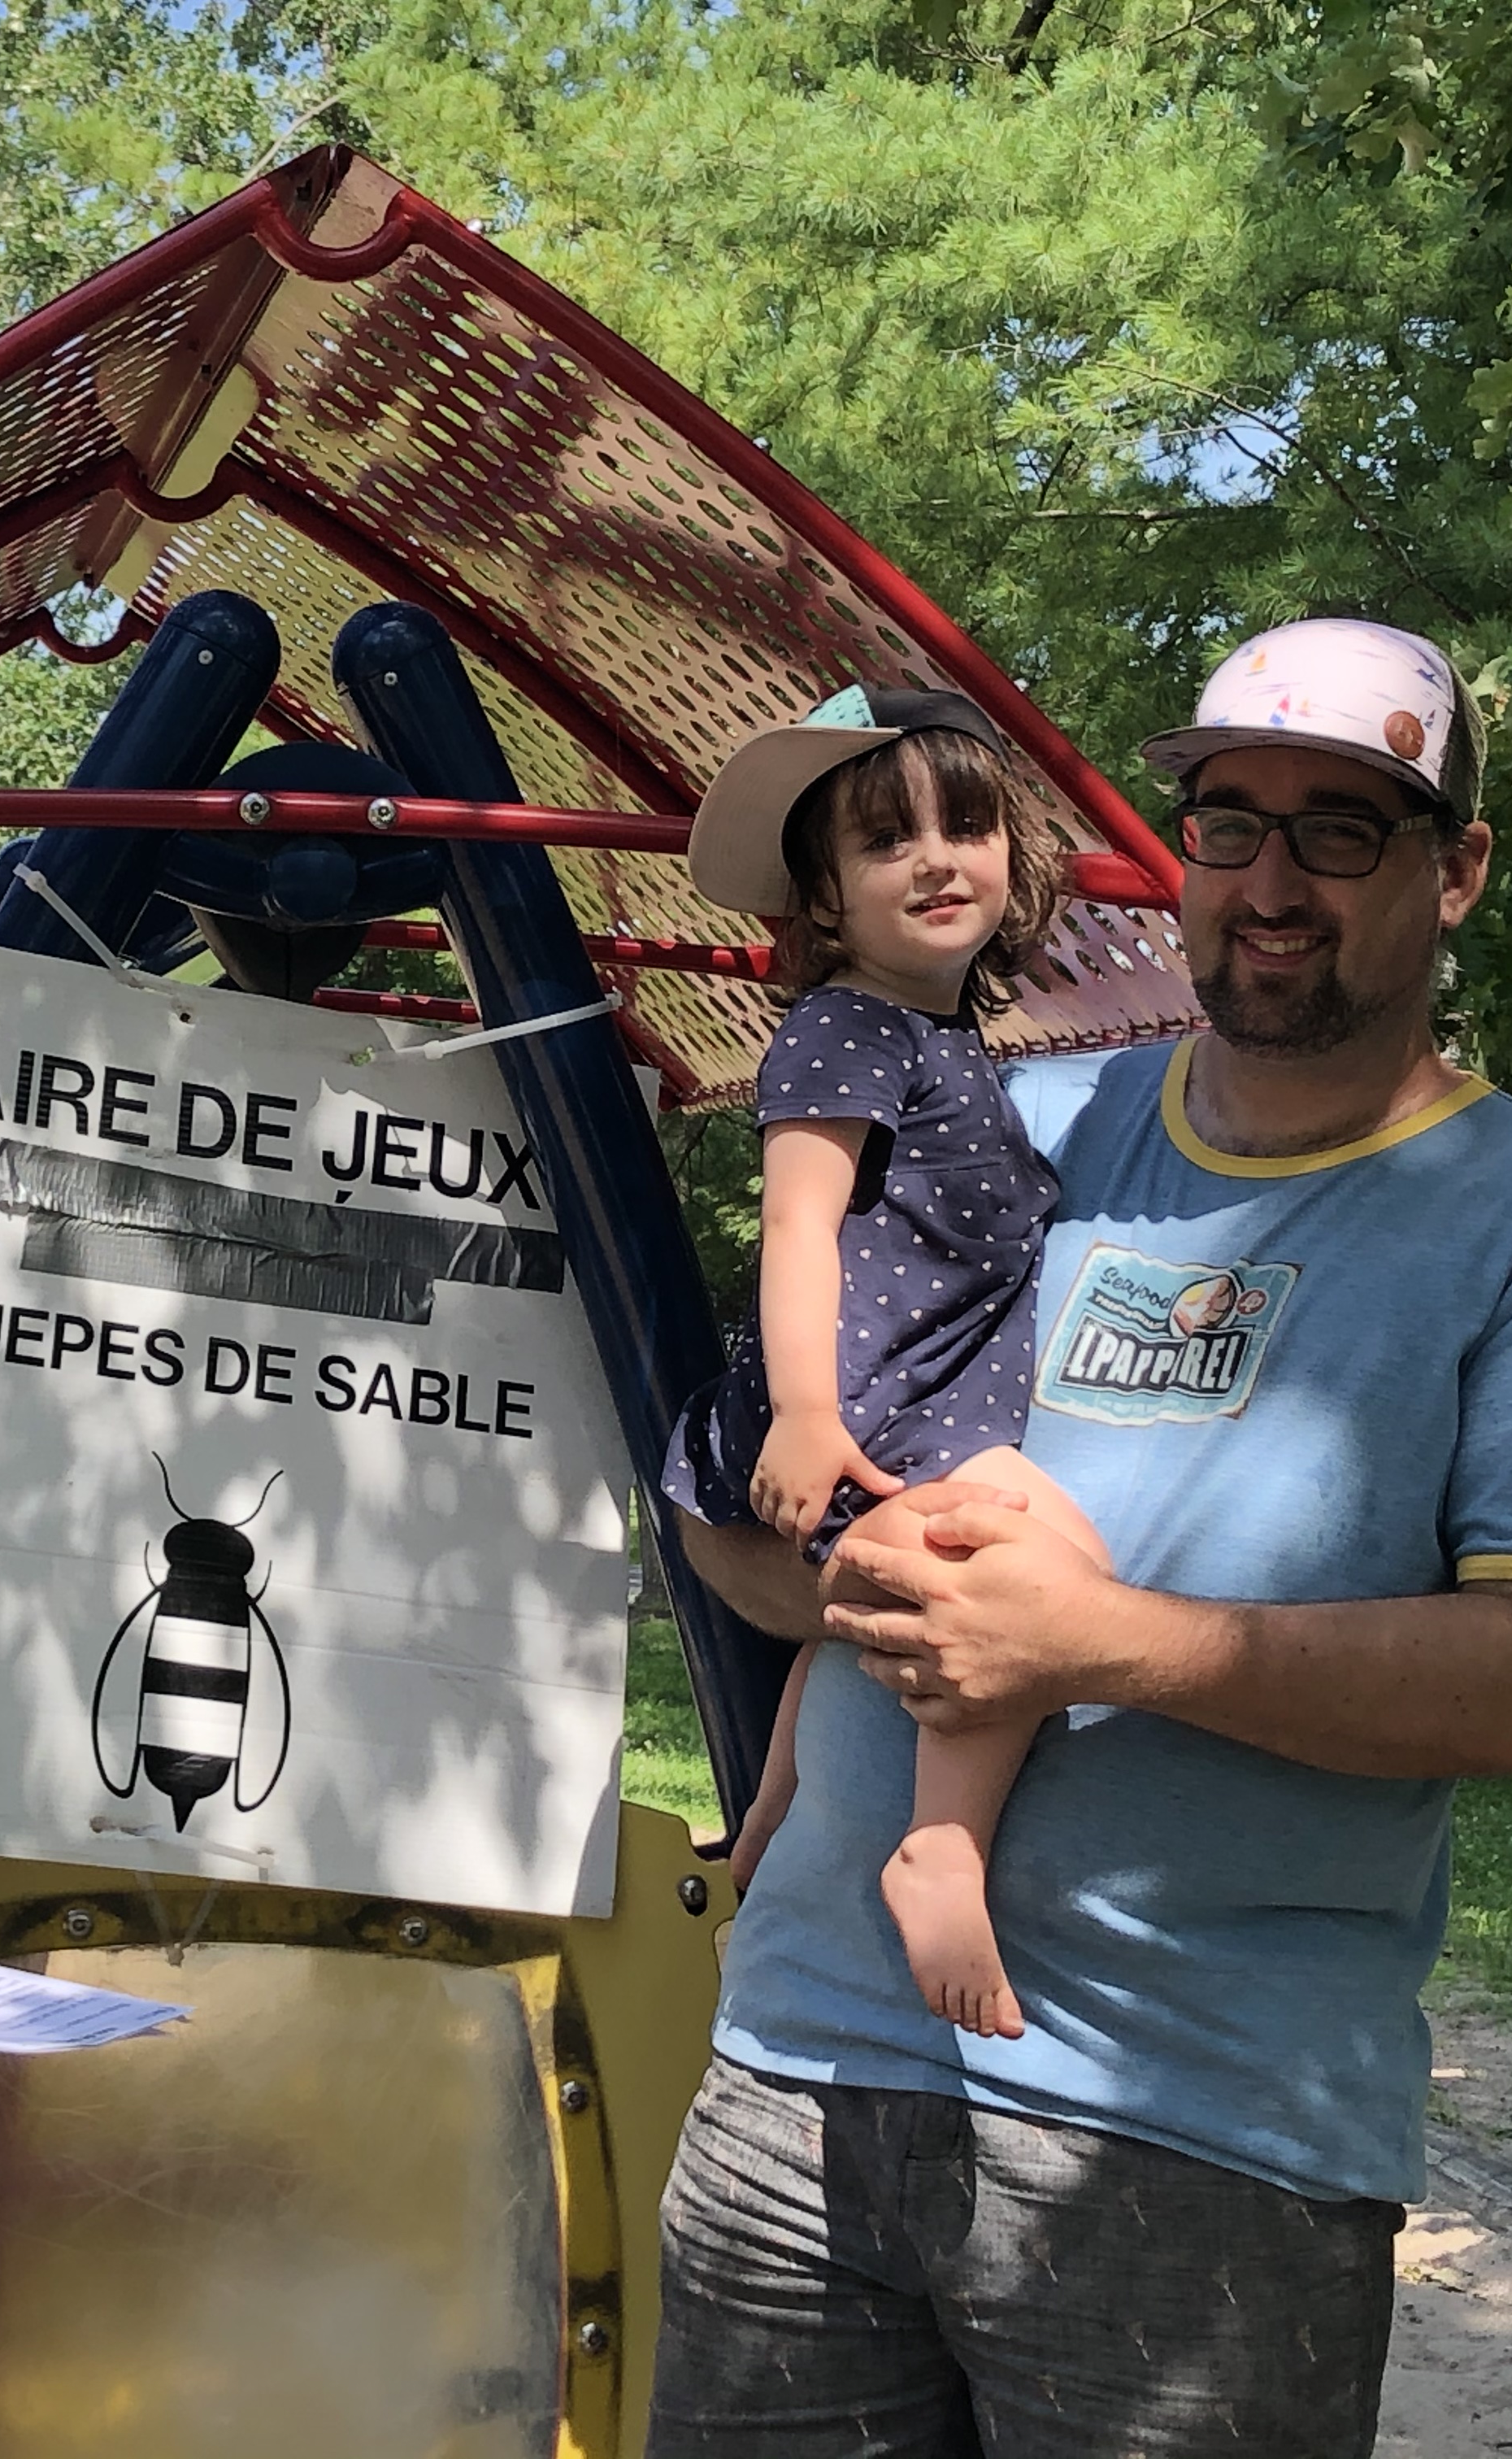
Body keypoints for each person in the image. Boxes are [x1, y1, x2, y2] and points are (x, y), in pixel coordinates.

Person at [647, 619, 1512, 2457]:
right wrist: (881, 1586)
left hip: (1196, 2138)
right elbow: (726, 1519)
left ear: (1456, 873)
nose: (1270, 880)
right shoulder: (1016, 1120)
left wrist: (1091, 1642)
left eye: (1342, 830)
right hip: (796, 2081)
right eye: (1228, 820)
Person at [661, 687, 1110, 2038]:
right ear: (826, 896)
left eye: (966, 825)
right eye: (886, 841)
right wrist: (802, 1412)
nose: (936, 859)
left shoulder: (944, 1041)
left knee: (853, 1637)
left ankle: (768, 1829)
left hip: (903, 1415)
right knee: (1050, 1572)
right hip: (848, 1417)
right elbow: (798, 1222)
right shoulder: (847, 1028)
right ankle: (944, 1845)